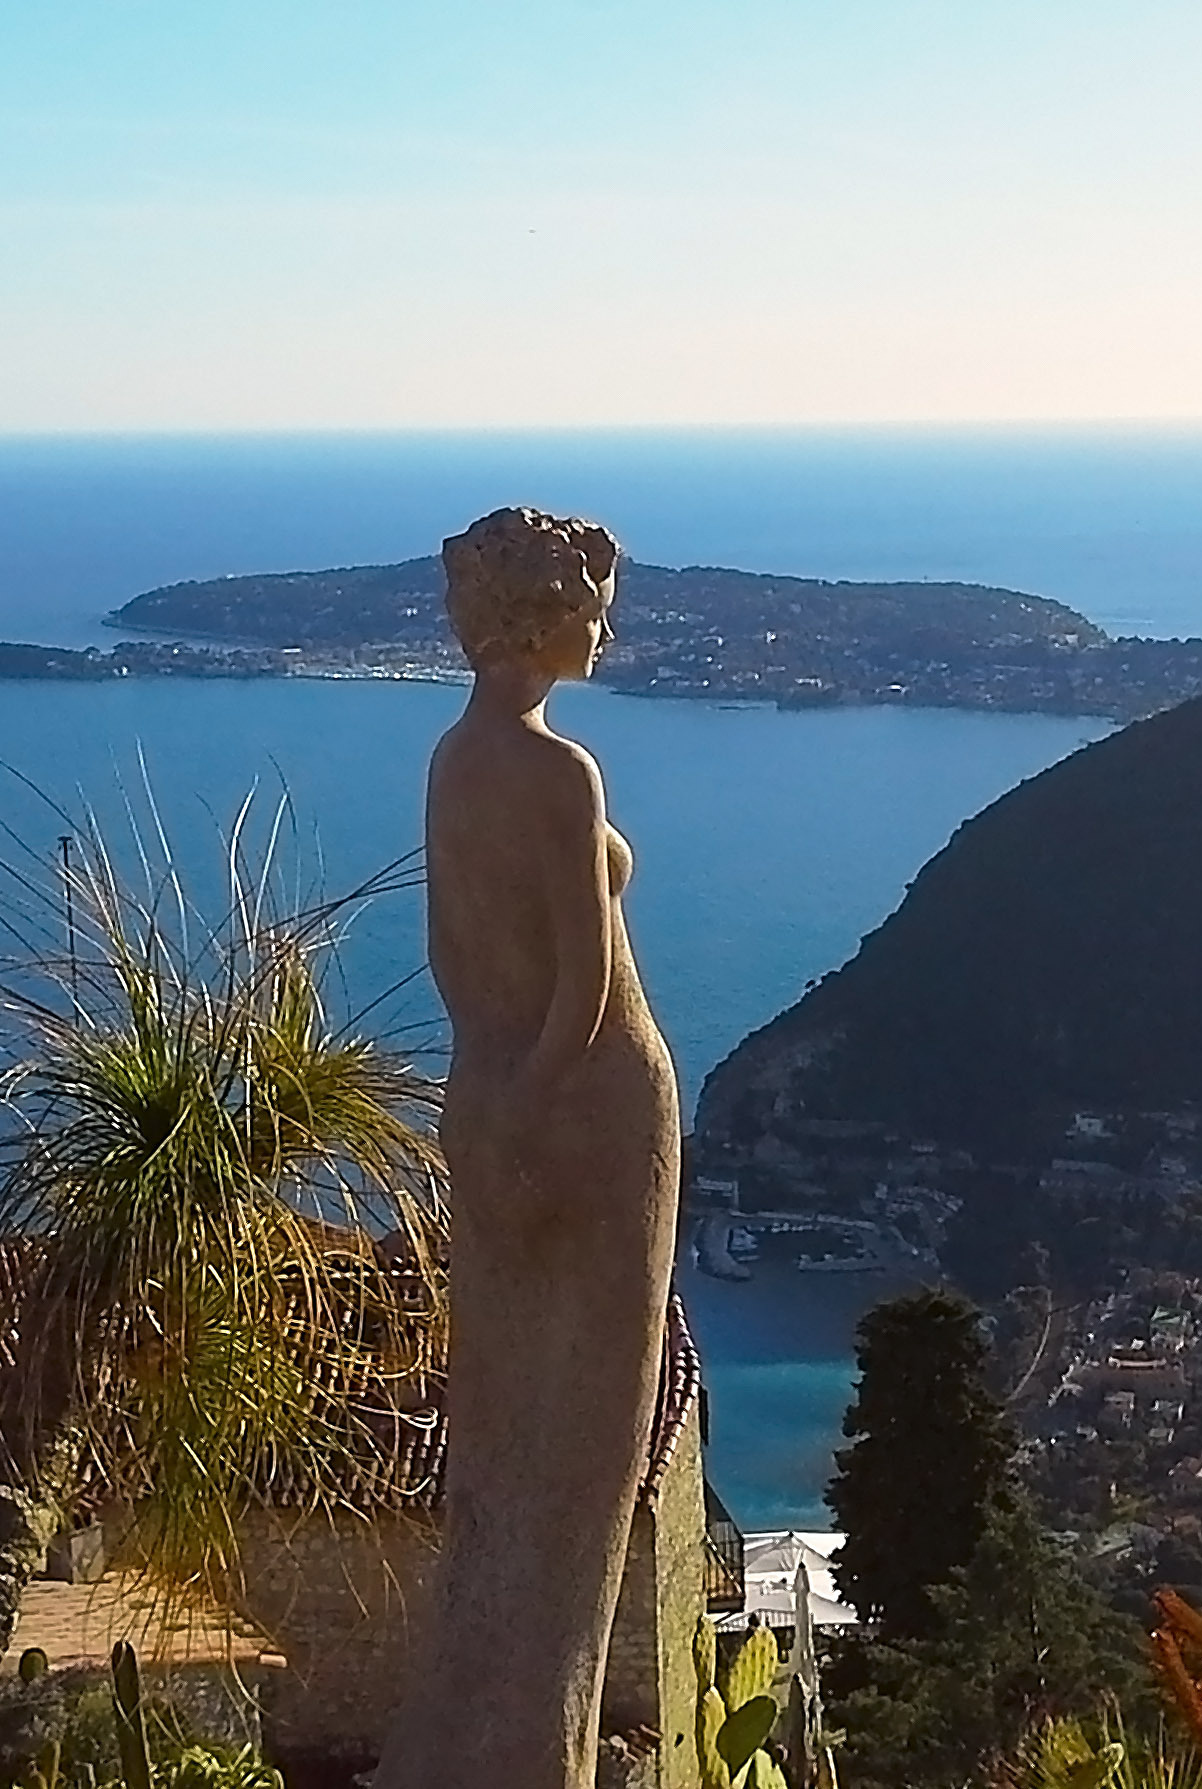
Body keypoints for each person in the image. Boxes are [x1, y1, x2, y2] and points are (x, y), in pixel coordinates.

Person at [383, 507, 683, 1789]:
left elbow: (452, 952)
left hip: (487, 1089)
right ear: (542, 612)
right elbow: (590, 977)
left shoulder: (453, 757)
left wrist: (487, 1096)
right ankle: (532, 1754)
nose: (604, 626)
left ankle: (459, 1738)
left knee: (505, 1437)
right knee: (587, 1461)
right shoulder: (560, 771)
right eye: (594, 603)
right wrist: (542, 1095)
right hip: (598, 1109)